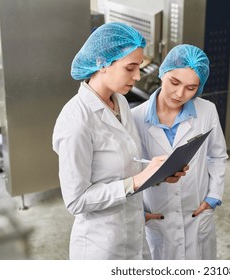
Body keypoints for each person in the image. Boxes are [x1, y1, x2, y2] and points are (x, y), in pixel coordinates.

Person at [52, 22, 187, 260]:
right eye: (130, 68)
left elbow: (123, 166)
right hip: (100, 247)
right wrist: (136, 182)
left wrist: (156, 173)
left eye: (139, 67)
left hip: (132, 236)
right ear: (101, 63)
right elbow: (76, 200)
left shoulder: (120, 101)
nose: (137, 76)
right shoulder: (76, 120)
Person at [131, 44, 228, 260]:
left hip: (197, 213)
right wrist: (138, 213)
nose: (180, 94)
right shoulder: (134, 118)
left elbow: (217, 155)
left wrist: (213, 197)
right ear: (162, 73)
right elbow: (128, 170)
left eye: (191, 88)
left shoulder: (207, 110)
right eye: (174, 82)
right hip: (157, 215)